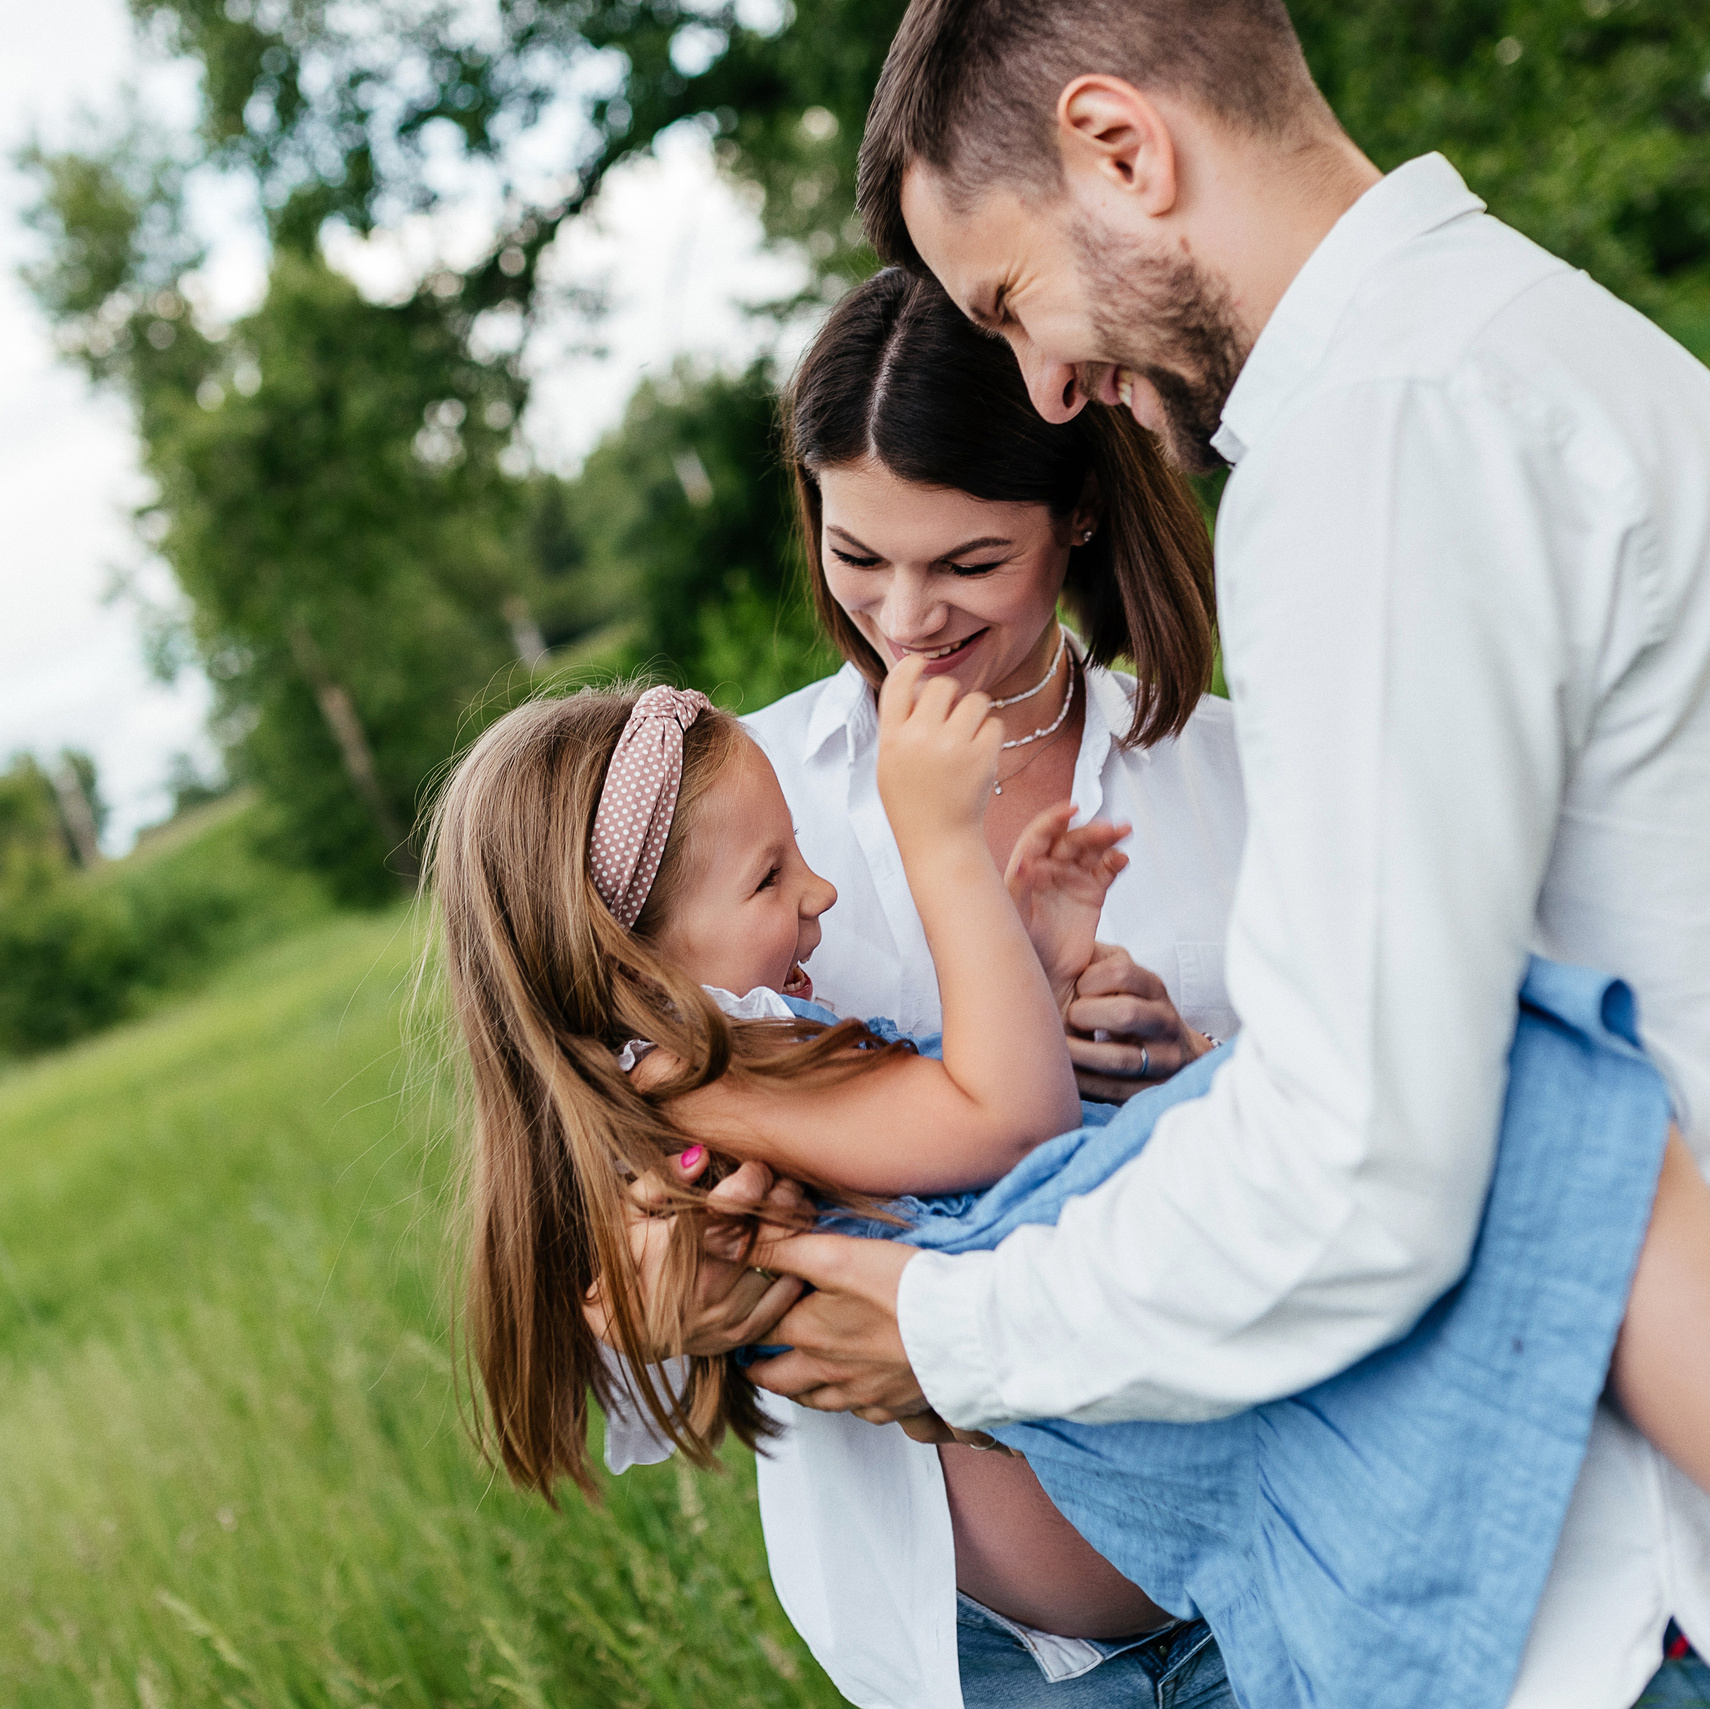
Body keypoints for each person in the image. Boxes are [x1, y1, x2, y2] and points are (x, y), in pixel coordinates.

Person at [741, 3, 1710, 1706]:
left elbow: (1364, 1160)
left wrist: (947, 1328)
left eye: (1013, 298)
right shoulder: (1525, 338)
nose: (1044, 384)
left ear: (1125, 149)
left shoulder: (1379, 440)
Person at [424, 668, 1705, 1709]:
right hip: (1045, 1624)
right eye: (770, 880)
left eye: (803, 857)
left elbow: (956, 1140)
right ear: (622, 963)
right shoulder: (710, 1086)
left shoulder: (737, 1064)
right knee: (1487, 1099)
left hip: (1158, 1553)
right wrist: (943, 848)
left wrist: (1030, 965)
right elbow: (1008, 1123)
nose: (817, 892)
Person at [701, 264, 1250, 1706]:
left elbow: (1371, 1114)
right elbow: (630, 1140)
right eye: (855, 554)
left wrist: (1190, 1066)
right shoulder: (750, 817)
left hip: (1271, 1552)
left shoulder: (1231, 769)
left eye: (964, 564)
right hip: (977, 1646)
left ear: (1074, 513)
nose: (901, 618)